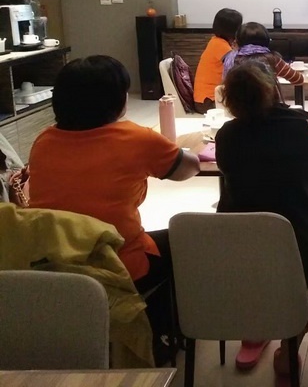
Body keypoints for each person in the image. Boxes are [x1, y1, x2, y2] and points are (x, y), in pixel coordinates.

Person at [27, 55, 201, 364]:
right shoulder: (135, 138)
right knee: (186, 242)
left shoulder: (43, 142)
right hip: (117, 264)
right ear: (118, 100)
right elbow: (190, 167)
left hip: (52, 266)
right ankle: (159, 334)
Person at [215, 60, 308, 375]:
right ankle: (291, 341)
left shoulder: (227, 135)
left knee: (254, 249)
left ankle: (254, 330)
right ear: (273, 89)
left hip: (237, 252)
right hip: (304, 253)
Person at [222, 21, 304, 90]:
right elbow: (298, 79)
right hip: (268, 104)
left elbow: (224, 86)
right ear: (267, 40)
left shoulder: (230, 59)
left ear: (238, 41)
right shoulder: (273, 60)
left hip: (235, 104)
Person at [194, 8, 242, 112]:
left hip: (206, 99)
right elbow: (237, 65)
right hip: (208, 100)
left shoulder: (216, 41)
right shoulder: (220, 45)